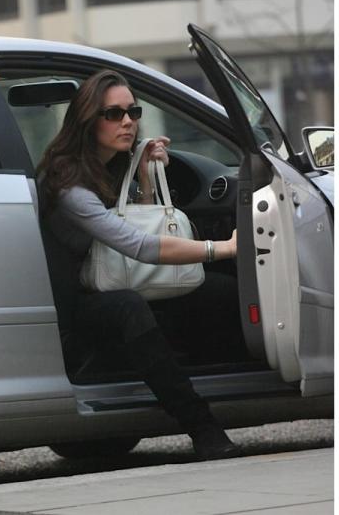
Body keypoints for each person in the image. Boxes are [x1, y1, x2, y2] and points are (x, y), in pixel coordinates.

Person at [36, 69, 240, 460]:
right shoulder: (68, 184)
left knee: (219, 292)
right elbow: (140, 246)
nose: (127, 121)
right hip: (74, 305)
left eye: (133, 111)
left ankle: (250, 388)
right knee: (130, 307)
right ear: (87, 120)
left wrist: (146, 177)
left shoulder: (111, 164)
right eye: (113, 114)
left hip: (109, 281)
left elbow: (138, 224)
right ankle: (202, 426)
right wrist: (222, 248)